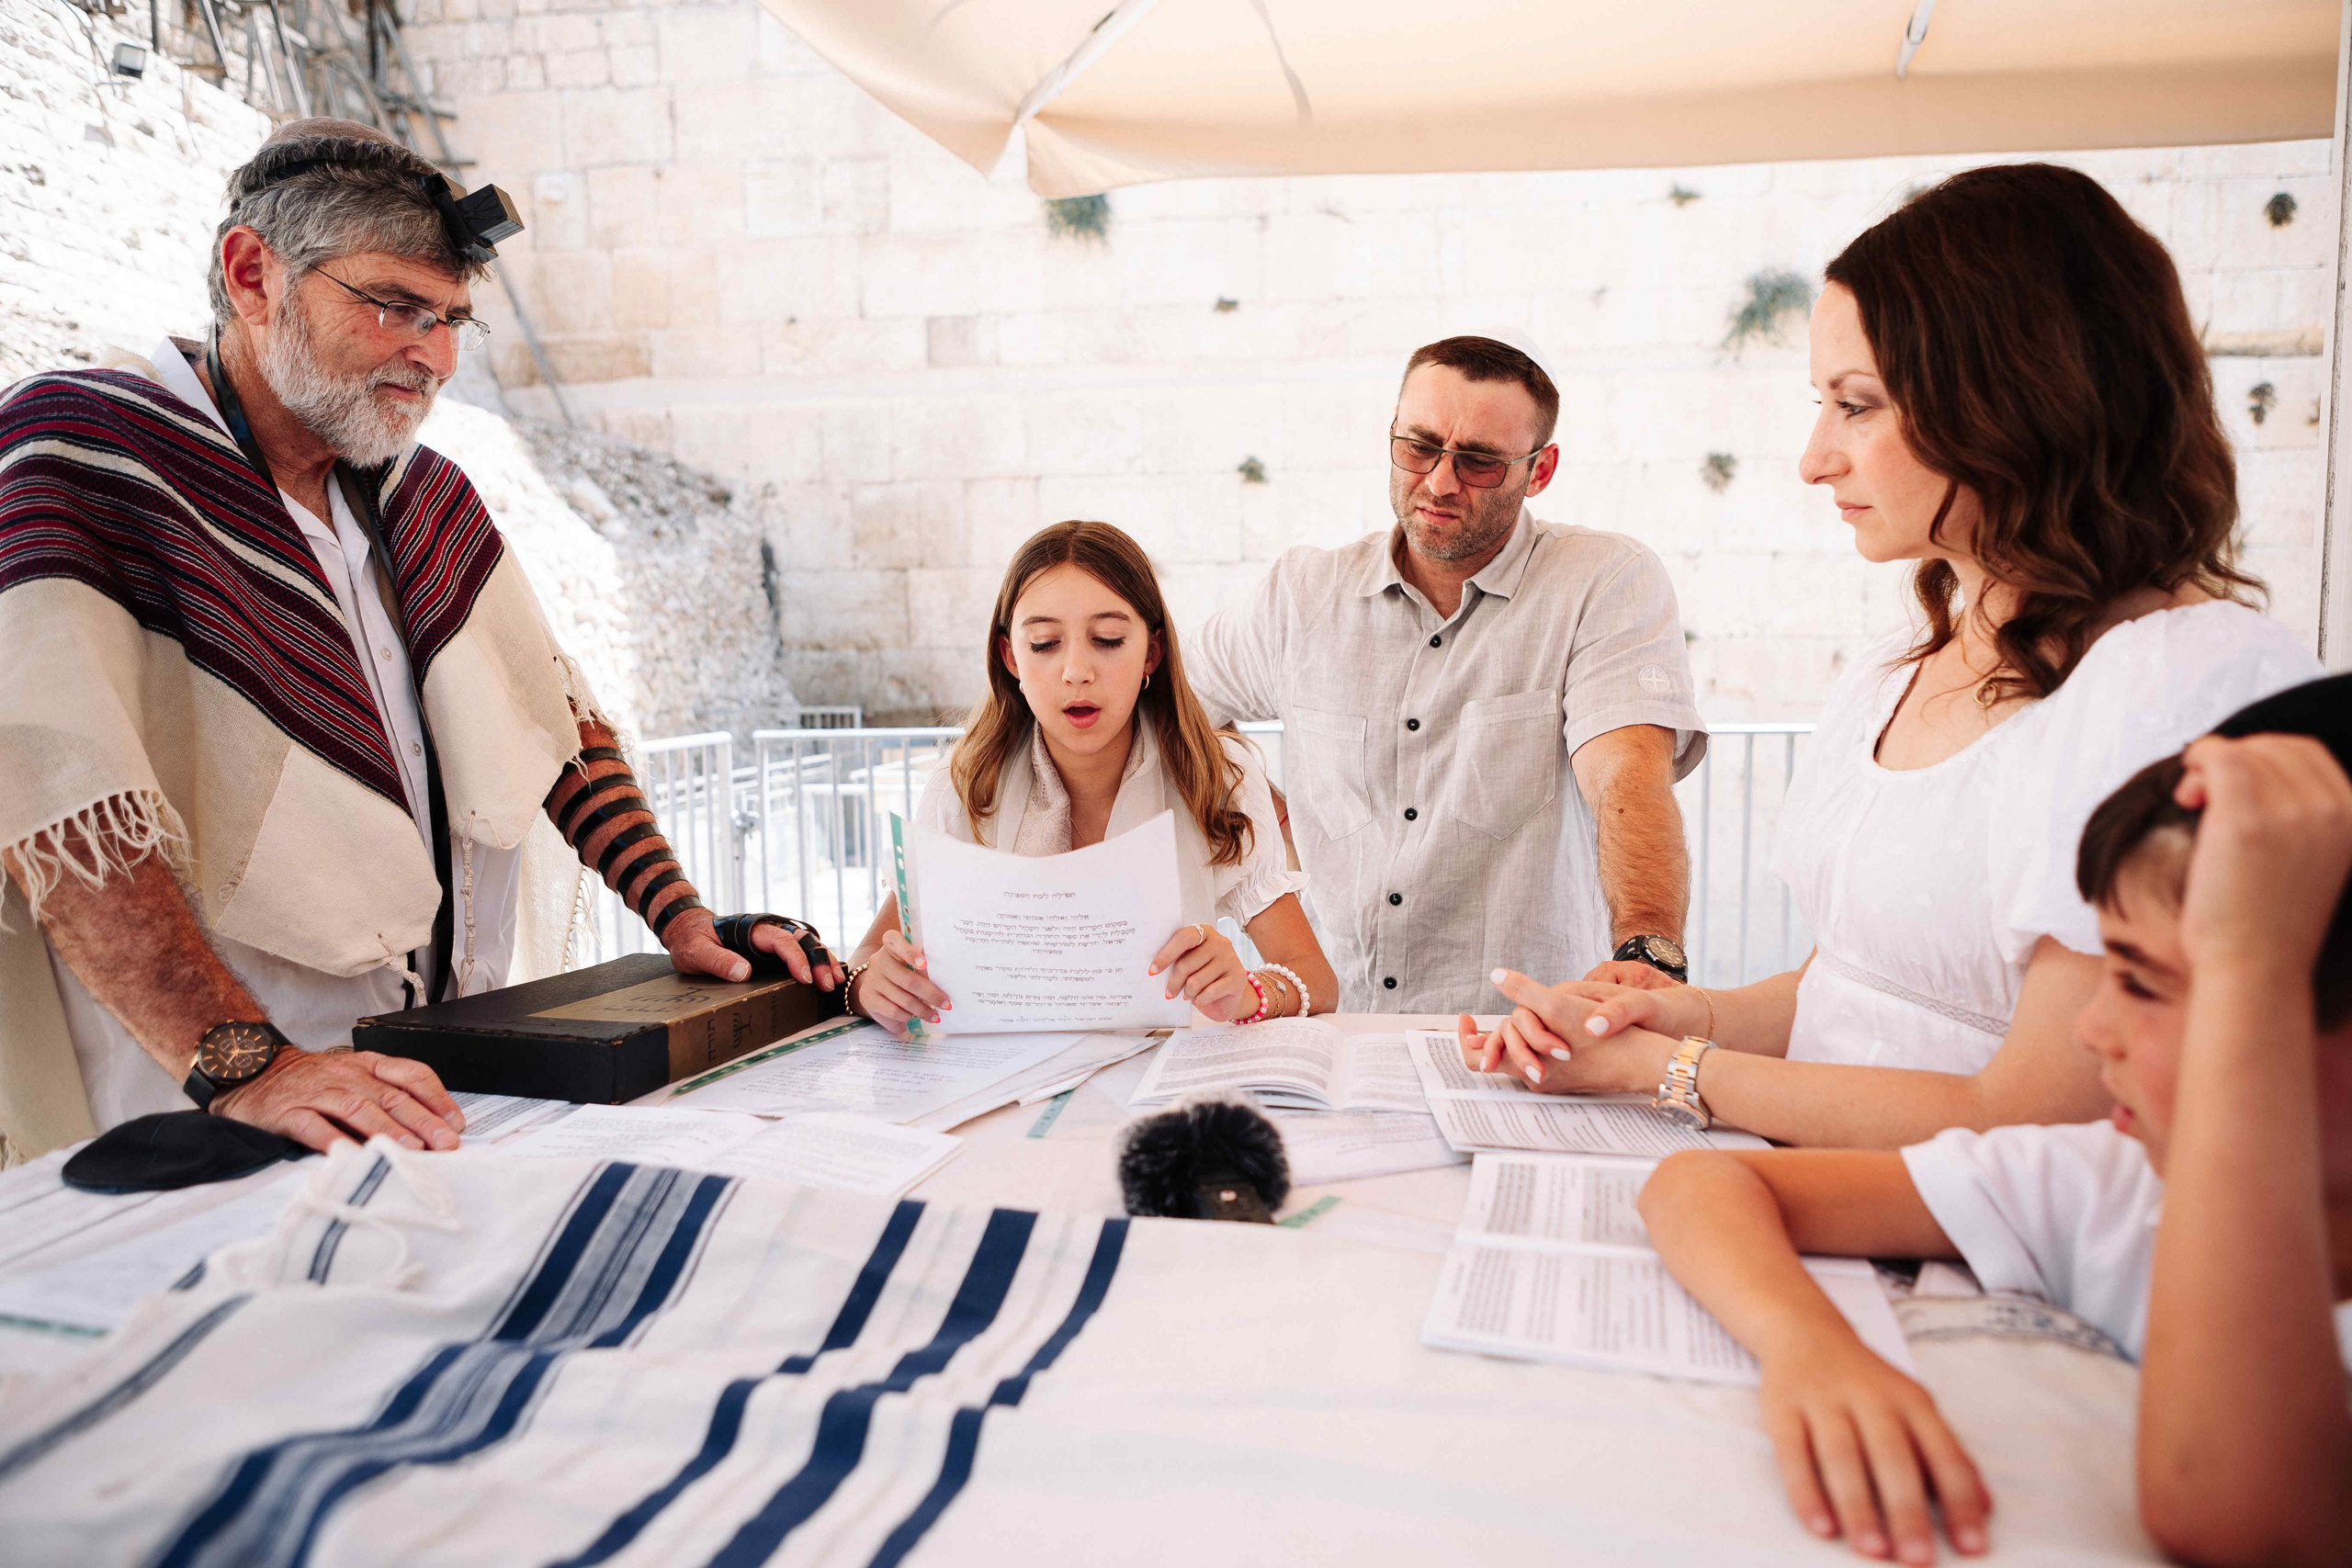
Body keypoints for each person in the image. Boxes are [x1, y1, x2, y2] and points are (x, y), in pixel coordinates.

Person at [0, 119, 838, 1166]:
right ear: (253, 273)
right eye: (394, 305)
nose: (434, 356)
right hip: (201, 1101)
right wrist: (244, 1064)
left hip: (437, 1074)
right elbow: (56, 797)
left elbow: (553, 727)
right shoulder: (83, 452)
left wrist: (680, 914)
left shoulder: (427, 498)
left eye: (451, 320)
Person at [1460, 164, 2321, 1147]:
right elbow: (1852, 998)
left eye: (1857, 405)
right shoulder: (1895, 672)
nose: (1814, 456)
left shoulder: (2180, 684)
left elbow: (2037, 1118)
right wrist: (1674, 1018)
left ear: (2013, 398)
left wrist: (1674, 1071)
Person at [1635, 673, 2352, 1567]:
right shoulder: (2117, 1184)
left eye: (2140, 980)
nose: (2092, 1029)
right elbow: (1703, 1185)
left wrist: (2252, 959)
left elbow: (2237, 1520)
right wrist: (1811, 1348)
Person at [1186, 333, 1705, 1013]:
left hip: (1521, 1034)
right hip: (1334, 1024)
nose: (1438, 481)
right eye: (1419, 446)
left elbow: (1626, 772)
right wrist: (1267, 819)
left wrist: (1646, 949)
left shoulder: (1602, 582)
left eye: (1480, 462)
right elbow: (1177, 710)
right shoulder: (1299, 596)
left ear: (1539, 470)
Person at [843, 521, 1336, 1036]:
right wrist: (868, 985)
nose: (1076, 671)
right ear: (1010, 656)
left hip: (1159, 1094)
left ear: (1151, 652)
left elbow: (1317, 979)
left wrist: (1249, 992)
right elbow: (863, 960)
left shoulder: (1218, 779)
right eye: (1044, 643)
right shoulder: (965, 788)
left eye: (1107, 639)